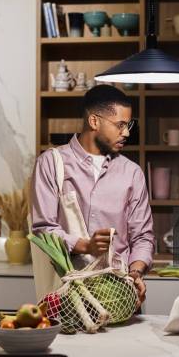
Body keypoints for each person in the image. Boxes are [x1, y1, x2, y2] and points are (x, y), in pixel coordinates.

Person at [30, 84, 154, 307]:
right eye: (120, 125)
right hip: (66, 299)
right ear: (94, 121)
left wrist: (136, 272)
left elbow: (143, 236)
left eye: (129, 125)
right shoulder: (51, 163)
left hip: (120, 297)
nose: (126, 133)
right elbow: (43, 230)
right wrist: (85, 246)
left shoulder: (132, 172)